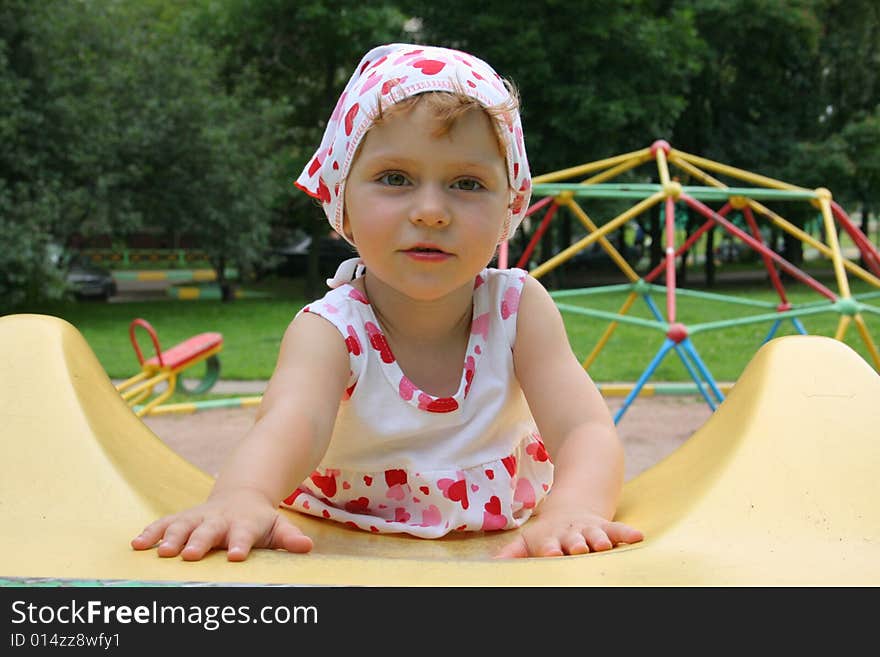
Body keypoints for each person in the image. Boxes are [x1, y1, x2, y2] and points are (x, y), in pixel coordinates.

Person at [131, 43, 644, 560]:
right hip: (345, 546)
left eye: (467, 183)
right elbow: (292, 422)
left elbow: (584, 429)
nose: (430, 211)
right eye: (394, 179)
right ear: (342, 205)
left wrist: (573, 509)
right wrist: (242, 495)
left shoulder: (517, 309)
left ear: (509, 207)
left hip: (497, 552)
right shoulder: (331, 330)